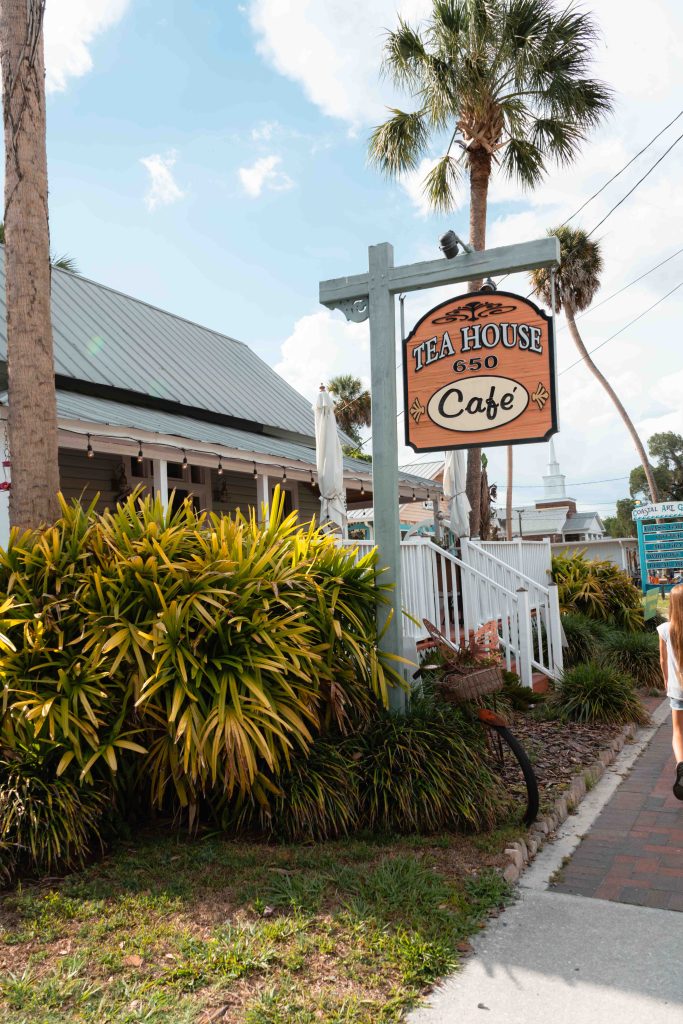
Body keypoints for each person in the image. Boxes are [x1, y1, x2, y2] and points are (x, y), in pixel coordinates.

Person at [657, 585, 683, 799]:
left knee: (677, 731)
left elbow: (663, 659)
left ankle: (681, 763)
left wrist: (666, 680)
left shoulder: (665, 629)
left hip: (677, 690)